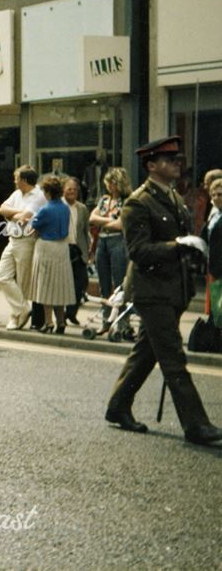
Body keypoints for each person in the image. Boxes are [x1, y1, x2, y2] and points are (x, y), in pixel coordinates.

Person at [105, 136, 222, 446]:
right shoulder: (138, 202)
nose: (176, 165)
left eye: (177, 160)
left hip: (174, 289)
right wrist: (178, 246)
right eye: (170, 161)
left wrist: (192, 250)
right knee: (172, 359)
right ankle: (196, 425)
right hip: (152, 291)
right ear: (152, 165)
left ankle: (117, 407)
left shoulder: (174, 198)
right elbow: (139, 251)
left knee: (145, 354)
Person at [0, 166, 45, 330]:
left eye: (16, 178)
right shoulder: (17, 194)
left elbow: (24, 219)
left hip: (27, 240)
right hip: (13, 239)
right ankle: (23, 309)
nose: (14, 181)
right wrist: (17, 212)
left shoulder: (39, 195)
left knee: (23, 281)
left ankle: (16, 316)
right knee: (1, 276)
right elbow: (1, 209)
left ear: (23, 180)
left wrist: (12, 215)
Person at [29, 176, 75, 333]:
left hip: (46, 247)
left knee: (45, 286)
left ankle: (48, 322)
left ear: (47, 192)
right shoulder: (65, 208)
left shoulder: (45, 209)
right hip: (62, 247)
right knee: (59, 287)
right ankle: (61, 322)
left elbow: (33, 228)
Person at [89, 167, 131, 327]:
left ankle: (122, 321)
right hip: (102, 241)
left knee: (120, 281)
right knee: (103, 281)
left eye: (111, 183)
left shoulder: (128, 201)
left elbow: (121, 225)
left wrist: (102, 220)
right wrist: (109, 221)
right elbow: (92, 218)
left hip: (118, 242)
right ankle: (106, 318)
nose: (109, 186)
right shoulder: (104, 200)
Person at [63, 177, 90, 324]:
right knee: (63, 283)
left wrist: (88, 251)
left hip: (78, 249)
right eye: (69, 189)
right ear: (63, 190)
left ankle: (71, 313)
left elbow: (86, 232)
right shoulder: (58, 206)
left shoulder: (82, 208)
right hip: (63, 248)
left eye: (74, 189)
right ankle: (61, 316)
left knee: (81, 282)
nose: (72, 192)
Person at [201, 177, 222, 324]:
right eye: (213, 194)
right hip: (213, 265)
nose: (216, 198)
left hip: (220, 267)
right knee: (216, 309)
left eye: (220, 194)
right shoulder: (215, 215)